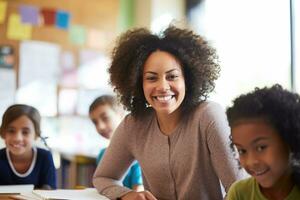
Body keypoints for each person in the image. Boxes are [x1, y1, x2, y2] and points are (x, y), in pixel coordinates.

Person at [93, 25, 243, 200]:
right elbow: (103, 177)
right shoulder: (133, 125)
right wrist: (126, 195)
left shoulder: (209, 116)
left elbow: (239, 190)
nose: (163, 87)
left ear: (187, 79)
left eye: (172, 76)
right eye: (151, 78)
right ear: (138, 83)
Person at [226, 84, 300, 200]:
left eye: (261, 147)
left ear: (289, 139)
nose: (251, 162)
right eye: (242, 151)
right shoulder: (239, 193)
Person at [89, 95, 143, 191]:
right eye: (95, 122)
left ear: (121, 114)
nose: (100, 126)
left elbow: (139, 191)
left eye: (105, 118)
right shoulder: (102, 154)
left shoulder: (137, 153)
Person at [0, 104, 56, 189]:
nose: (17, 138)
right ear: (3, 133)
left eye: (25, 132)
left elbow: (50, 193)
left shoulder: (45, 157)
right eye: (11, 131)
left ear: (36, 135)